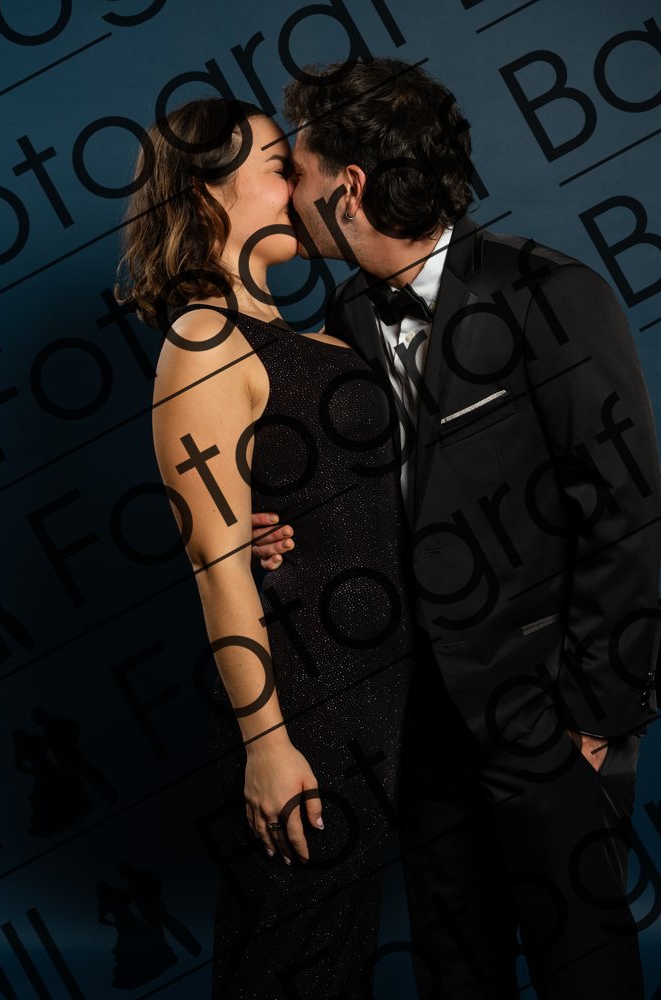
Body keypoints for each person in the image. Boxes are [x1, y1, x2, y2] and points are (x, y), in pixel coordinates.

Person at [253, 59, 661, 999]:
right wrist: (280, 535)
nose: (287, 193)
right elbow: (368, 495)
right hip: (422, 714)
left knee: (584, 971)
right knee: (453, 967)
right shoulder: (348, 311)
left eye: (298, 171)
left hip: (550, 709)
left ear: (349, 188)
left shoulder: (550, 292)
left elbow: (627, 508)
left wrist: (594, 717)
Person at [115, 96, 418, 998]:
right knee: (295, 955)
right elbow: (215, 568)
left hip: (375, 686)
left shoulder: (305, 333)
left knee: (337, 950)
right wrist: (267, 745)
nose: (302, 186)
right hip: (305, 693)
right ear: (208, 192)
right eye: (280, 167)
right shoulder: (203, 341)